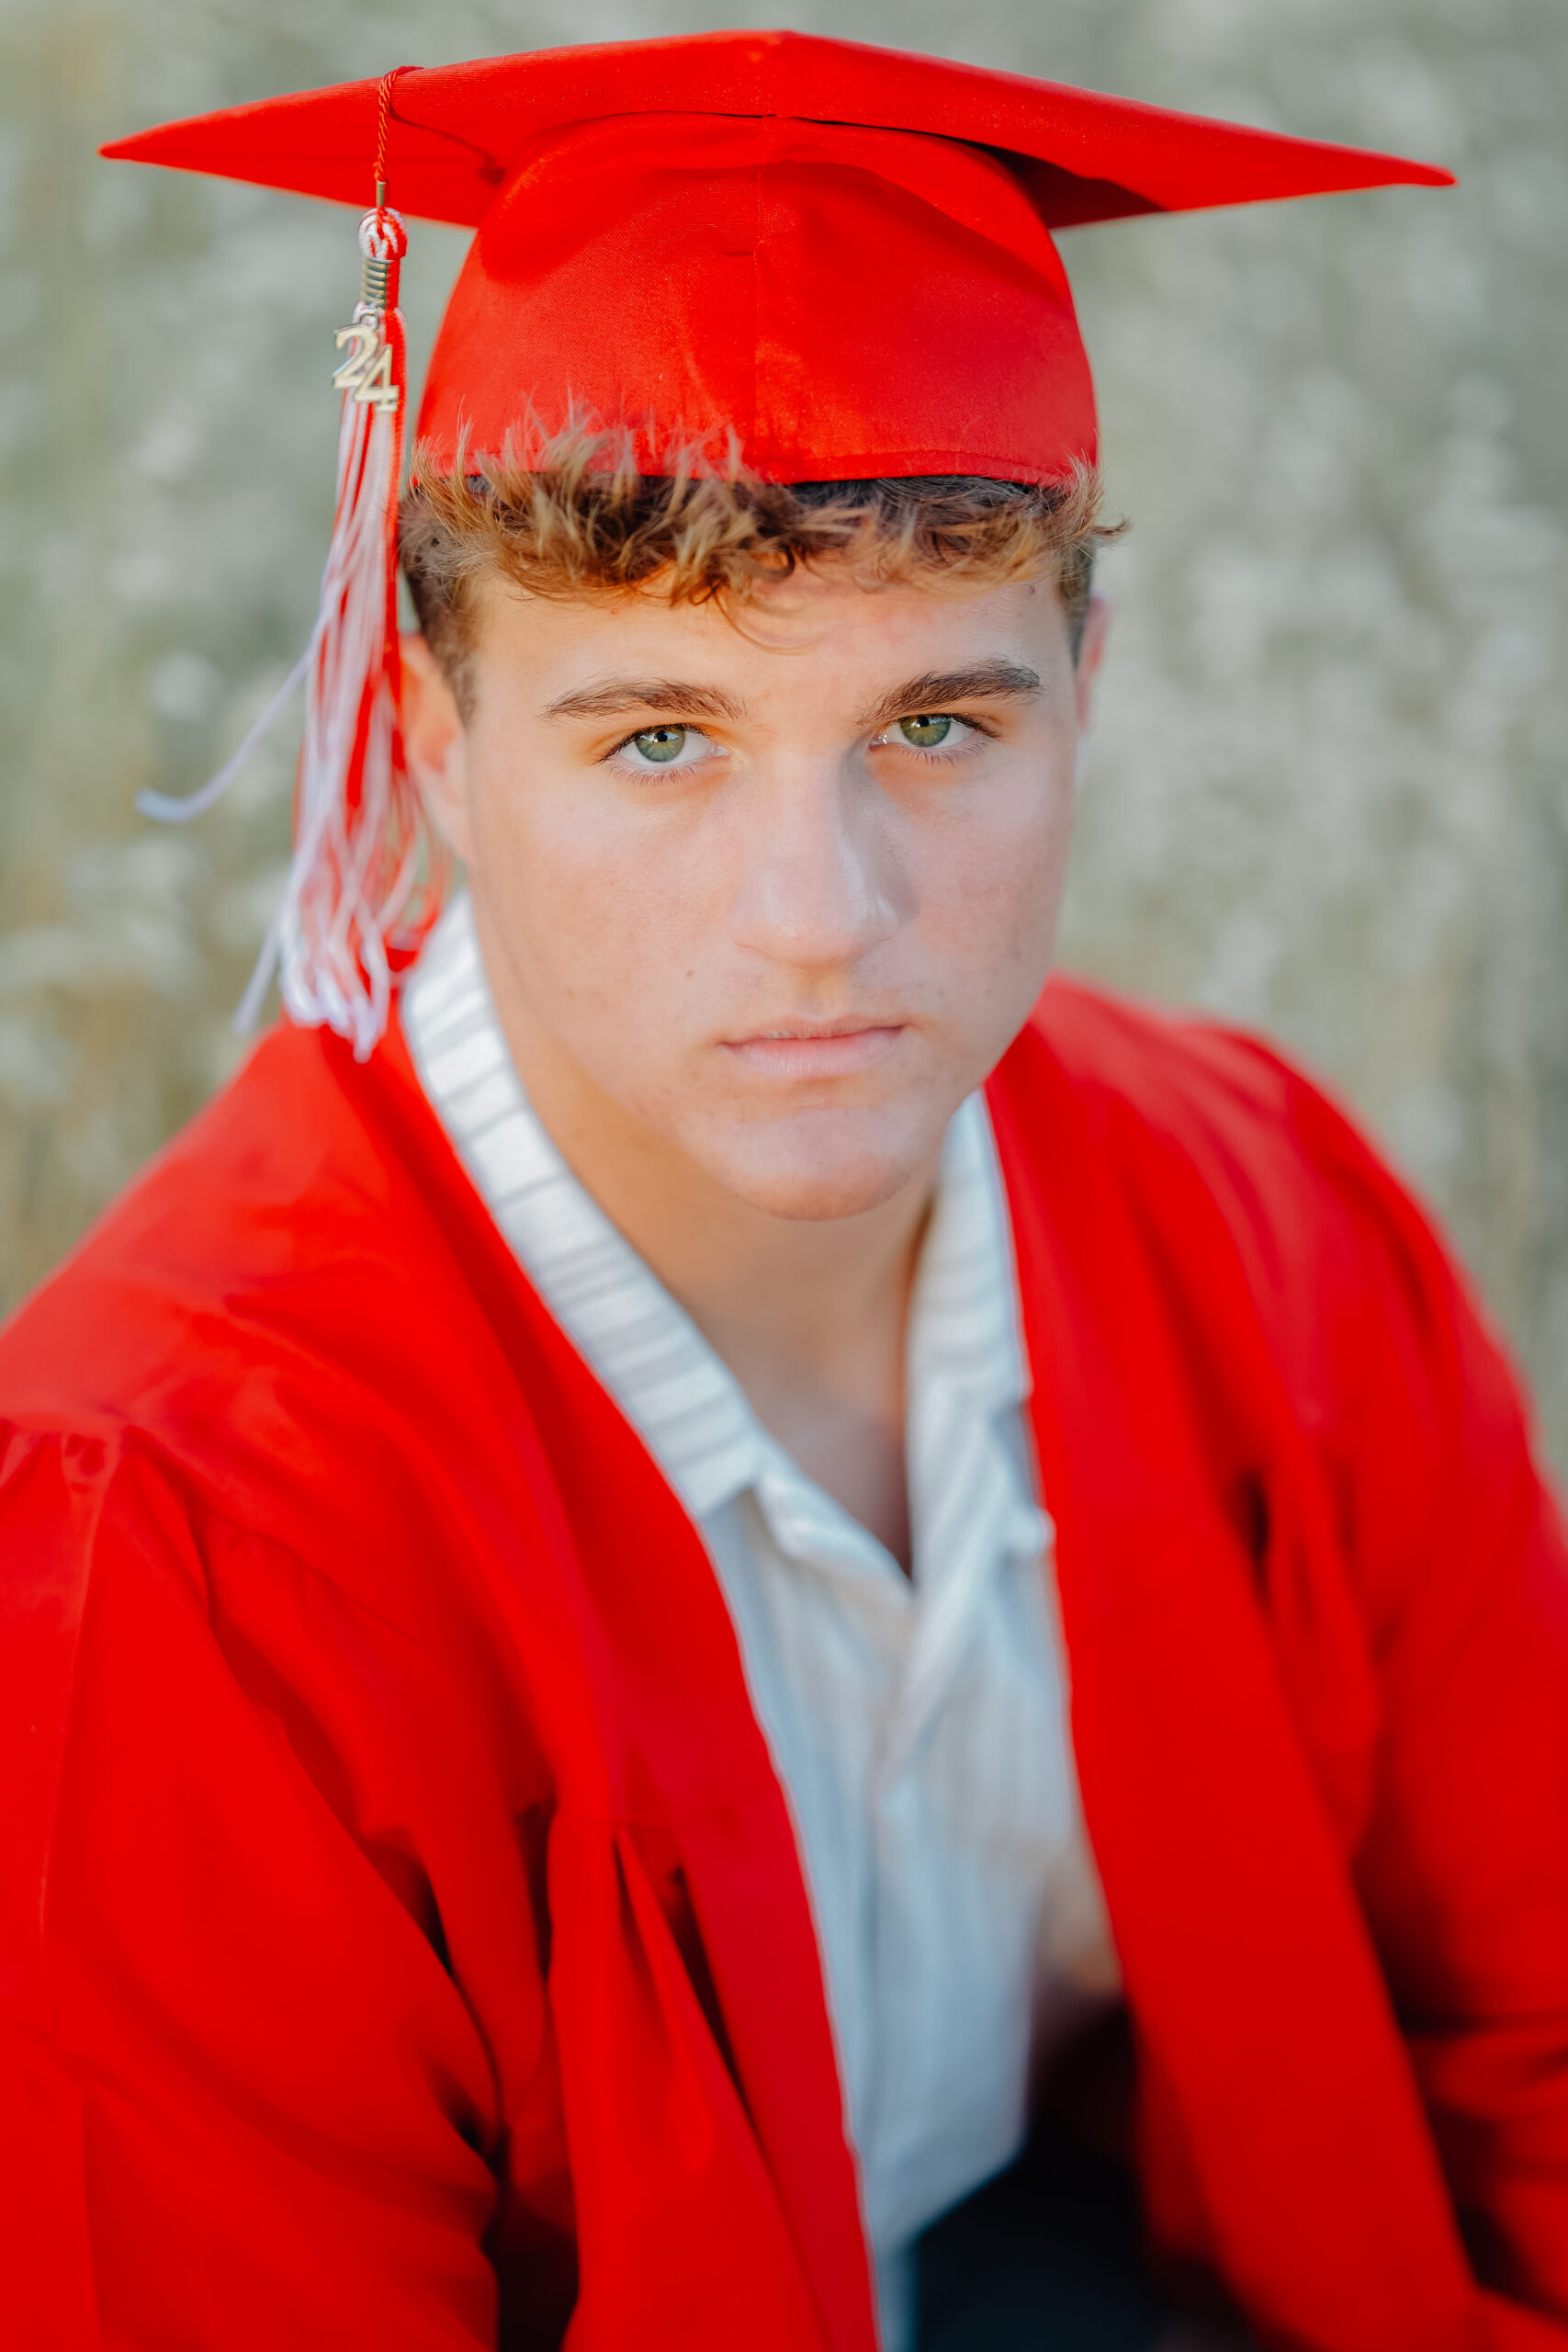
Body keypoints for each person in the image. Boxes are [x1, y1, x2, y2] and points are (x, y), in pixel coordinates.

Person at [2, 28, 1564, 2352]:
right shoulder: (175, 1559)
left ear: (1086, 683)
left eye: (938, 722)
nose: (820, 910)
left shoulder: (1268, 1227)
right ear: (426, 739)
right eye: (659, 736)